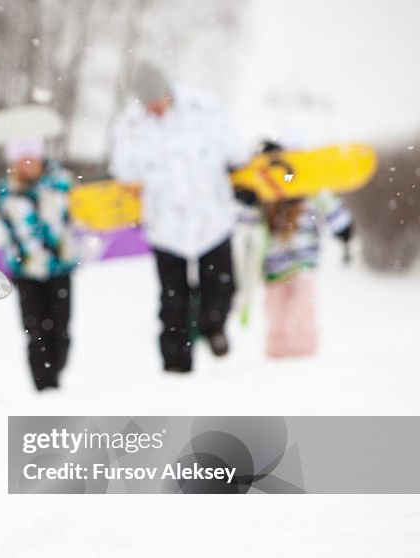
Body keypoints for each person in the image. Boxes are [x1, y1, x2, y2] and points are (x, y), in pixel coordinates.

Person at [109, 61, 247, 373]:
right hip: (165, 225)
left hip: (212, 216)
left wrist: (240, 176)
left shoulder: (203, 109)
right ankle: (175, 363)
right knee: (173, 301)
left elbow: (235, 152)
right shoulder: (130, 126)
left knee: (221, 286)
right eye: (148, 103)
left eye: (158, 100)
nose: (155, 108)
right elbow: (123, 174)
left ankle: (214, 328)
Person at [237, 141, 354, 357]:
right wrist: (247, 200)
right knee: (275, 311)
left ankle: (305, 351)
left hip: (304, 258)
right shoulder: (260, 192)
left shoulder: (302, 182)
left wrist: (343, 228)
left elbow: (325, 200)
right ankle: (276, 351)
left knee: (303, 306)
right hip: (273, 262)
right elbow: (244, 223)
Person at [0, 138, 78, 391]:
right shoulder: (7, 193)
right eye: (22, 161)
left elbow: (68, 217)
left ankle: (57, 367)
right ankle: (44, 384)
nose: (28, 165)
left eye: (32, 159)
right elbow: (18, 228)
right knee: (35, 329)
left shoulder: (60, 185)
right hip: (26, 271)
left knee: (61, 328)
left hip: (59, 268)